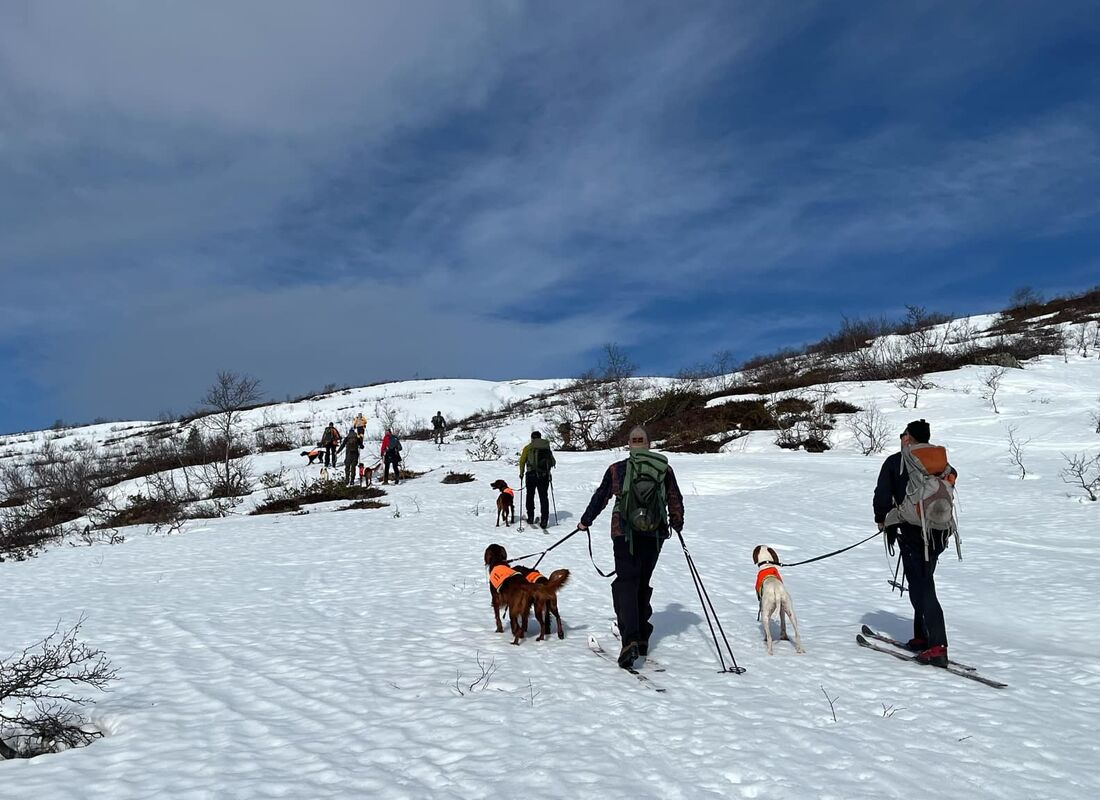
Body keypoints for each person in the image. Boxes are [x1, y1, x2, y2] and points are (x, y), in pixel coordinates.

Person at [578, 426, 684, 669]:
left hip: (624, 533)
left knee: (625, 582)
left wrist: (586, 521)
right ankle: (643, 637)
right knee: (642, 582)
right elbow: (674, 499)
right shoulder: (663, 469)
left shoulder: (617, 469)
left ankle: (630, 639)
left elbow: (601, 497)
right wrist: (677, 521)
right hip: (655, 534)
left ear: (629, 445)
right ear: (648, 444)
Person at [874, 419, 957, 668]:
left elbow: (882, 495)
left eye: (903, 434)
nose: (901, 438)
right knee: (921, 580)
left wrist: (882, 520)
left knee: (922, 585)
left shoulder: (897, 461)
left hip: (912, 531)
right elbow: (952, 479)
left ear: (908, 437)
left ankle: (937, 646)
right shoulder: (939, 461)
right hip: (940, 531)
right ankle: (923, 636)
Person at [518, 431, 556, 529]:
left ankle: (530, 517)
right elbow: (553, 461)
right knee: (543, 497)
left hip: (531, 475)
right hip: (544, 475)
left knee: (530, 495)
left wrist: (521, 473)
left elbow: (522, 461)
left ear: (532, 438)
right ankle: (544, 520)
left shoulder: (528, 448)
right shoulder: (546, 447)